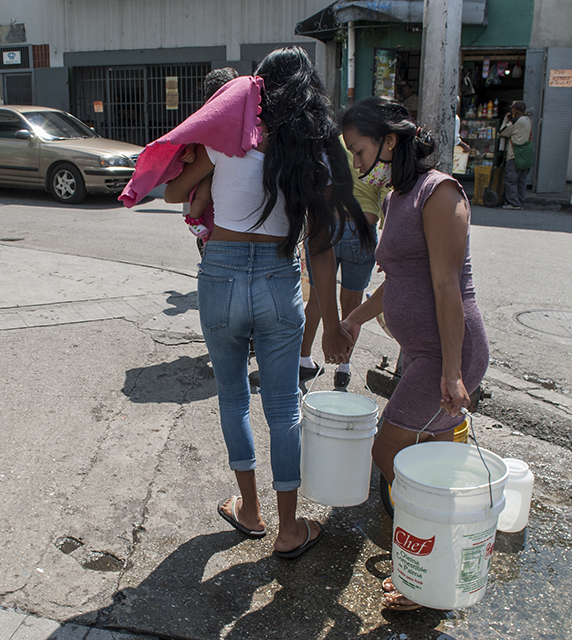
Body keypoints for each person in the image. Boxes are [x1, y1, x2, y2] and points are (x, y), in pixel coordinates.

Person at [163, 47, 374, 559]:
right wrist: (332, 327)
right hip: (280, 282)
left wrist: (214, 173)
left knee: (233, 398)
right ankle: (287, 529)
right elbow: (320, 250)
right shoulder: (312, 155)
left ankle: (249, 511)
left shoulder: (224, 140)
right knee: (283, 411)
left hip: (220, 275)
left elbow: (172, 193)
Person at [337, 96, 490, 610]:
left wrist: (451, 371)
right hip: (426, 353)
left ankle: (424, 575)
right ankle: (431, 571)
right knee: (431, 468)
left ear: (390, 141)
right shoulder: (397, 196)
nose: (357, 164)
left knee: (389, 452)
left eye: (360, 152)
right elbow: (399, 278)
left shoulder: (439, 192)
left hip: (448, 353)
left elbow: (447, 286)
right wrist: (356, 318)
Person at [299, 143, 383, 388]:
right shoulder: (379, 148)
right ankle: (344, 367)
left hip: (330, 224)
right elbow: (388, 195)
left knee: (316, 299)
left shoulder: (336, 142)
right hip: (363, 229)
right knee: (352, 304)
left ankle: (303, 360)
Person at [181, 68, 241, 250]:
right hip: (210, 174)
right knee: (204, 196)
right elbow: (191, 136)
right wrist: (190, 149)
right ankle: (194, 221)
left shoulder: (243, 120)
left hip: (224, 227)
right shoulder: (205, 118)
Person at [499, 101, 531, 210]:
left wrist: (505, 120)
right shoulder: (528, 120)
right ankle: (520, 201)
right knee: (521, 181)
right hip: (525, 155)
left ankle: (513, 203)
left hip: (515, 155)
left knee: (511, 180)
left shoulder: (515, 121)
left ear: (515, 111)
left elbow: (502, 132)